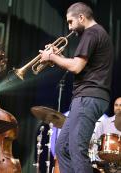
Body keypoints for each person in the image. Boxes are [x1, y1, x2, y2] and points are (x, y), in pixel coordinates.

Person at [39, 2, 114, 173]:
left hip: (88, 97)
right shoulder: (97, 33)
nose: (70, 27)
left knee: (76, 149)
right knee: (62, 148)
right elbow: (81, 65)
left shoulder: (91, 33)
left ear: (81, 17)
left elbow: (76, 67)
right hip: (87, 97)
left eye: (70, 22)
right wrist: (58, 56)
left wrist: (51, 56)